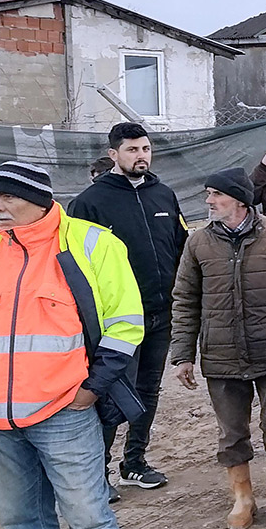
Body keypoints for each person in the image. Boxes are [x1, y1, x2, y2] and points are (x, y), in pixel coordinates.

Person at [0, 161, 144, 529]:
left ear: (38, 199)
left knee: (89, 520)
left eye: (8, 196)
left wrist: (92, 387)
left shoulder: (92, 243)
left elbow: (126, 323)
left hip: (64, 412)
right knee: (23, 524)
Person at [170, 168, 266, 529]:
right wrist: (182, 354)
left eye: (215, 194)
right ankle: (242, 497)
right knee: (231, 432)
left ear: (238, 199)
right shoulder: (198, 243)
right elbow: (184, 300)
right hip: (222, 356)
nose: (208, 201)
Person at [70, 123, 188, 501]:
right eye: (133, 150)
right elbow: (75, 267)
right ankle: (97, 474)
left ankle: (134, 462)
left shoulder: (164, 195)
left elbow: (182, 248)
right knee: (108, 395)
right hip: (117, 322)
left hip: (160, 314)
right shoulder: (90, 202)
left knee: (148, 391)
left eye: (146, 149)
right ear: (114, 155)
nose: (141, 156)